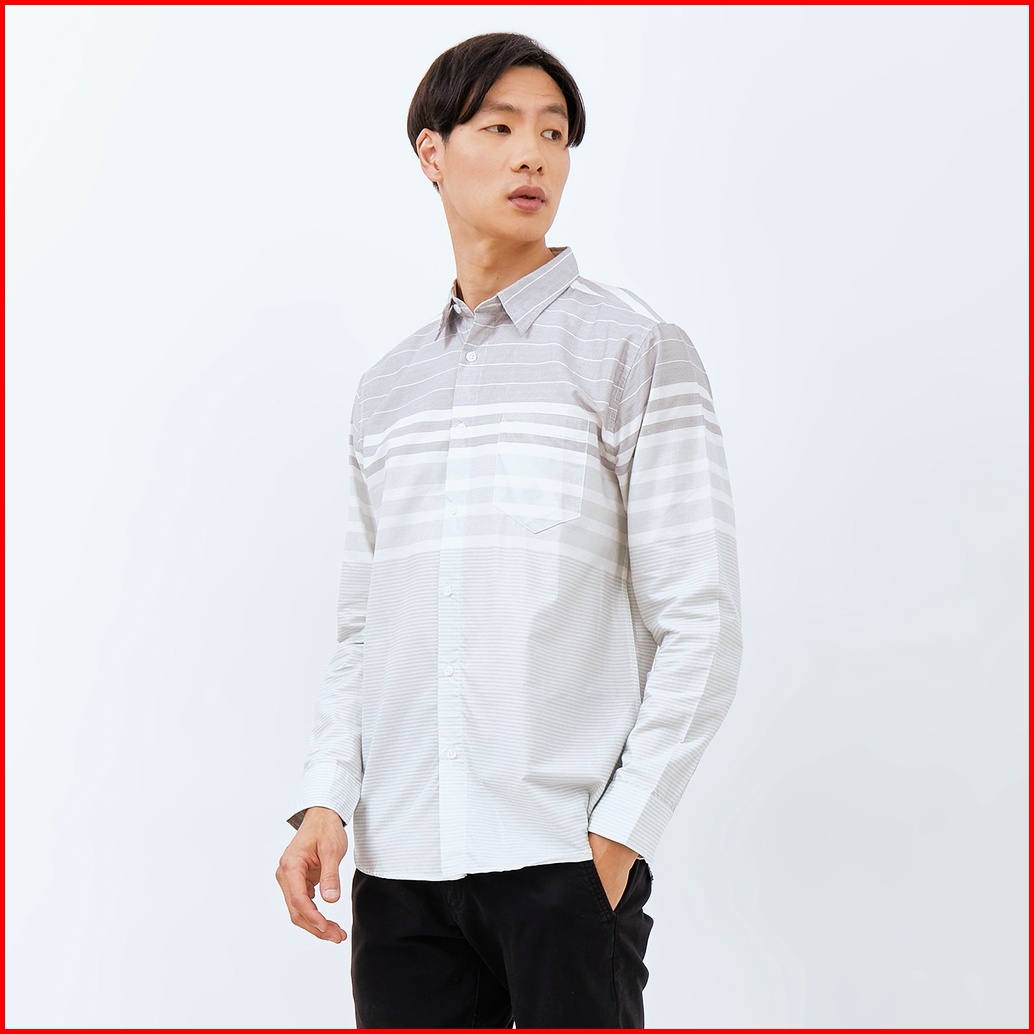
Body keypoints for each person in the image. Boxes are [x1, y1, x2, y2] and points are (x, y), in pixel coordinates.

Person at [276, 31, 742, 1029]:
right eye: (499, 127)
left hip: (560, 862)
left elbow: (700, 622)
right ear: (431, 153)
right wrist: (325, 797)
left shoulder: (633, 349)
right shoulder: (388, 389)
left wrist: (615, 840)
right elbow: (364, 631)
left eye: (553, 133)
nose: (533, 154)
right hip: (400, 869)